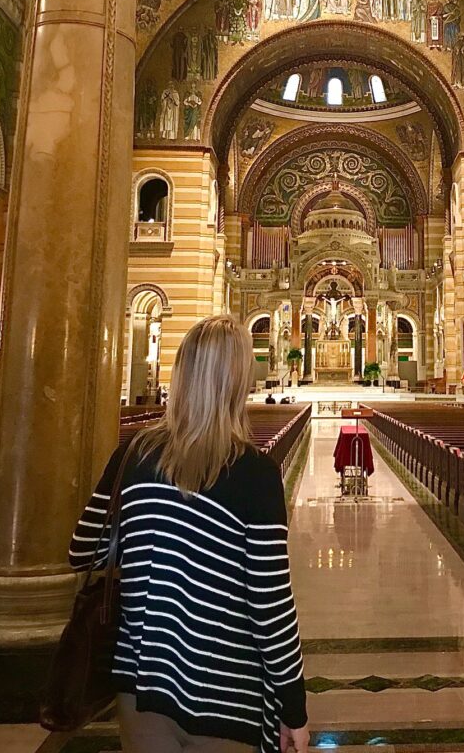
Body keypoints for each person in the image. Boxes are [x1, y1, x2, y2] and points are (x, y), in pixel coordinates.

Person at [68, 316, 309, 753]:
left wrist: (153, 542)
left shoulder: (133, 456)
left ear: (180, 376)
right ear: (239, 382)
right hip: (226, 693)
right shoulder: (256, 475)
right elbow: (270, 606)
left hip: (142, 682)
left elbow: (84, 551)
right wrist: (294, 708)